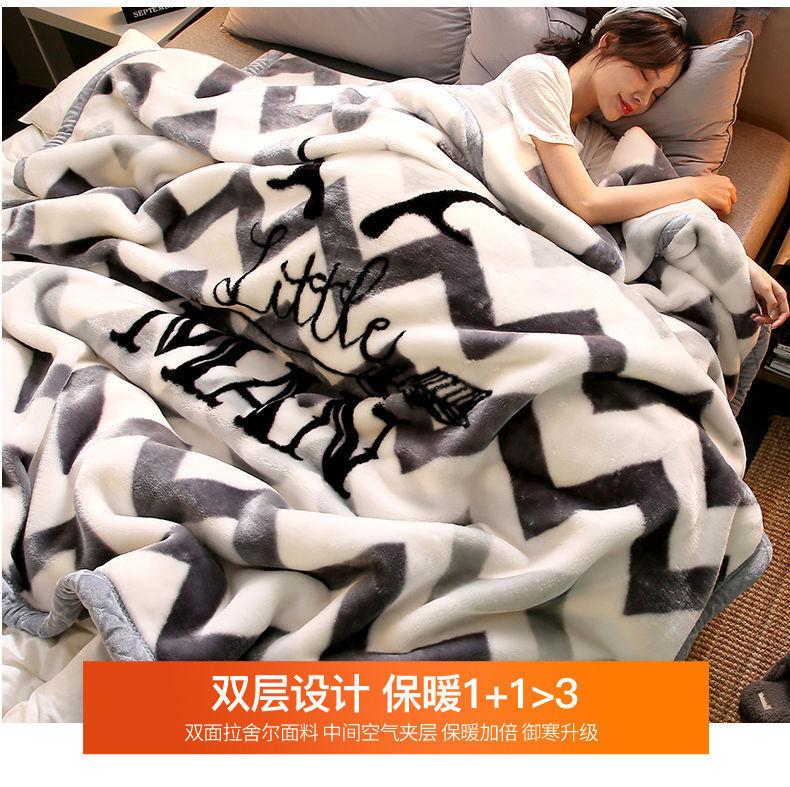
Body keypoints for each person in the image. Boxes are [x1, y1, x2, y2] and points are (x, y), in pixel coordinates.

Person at [491, 6, 788, 329]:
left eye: (656, 94)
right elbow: (587, 203)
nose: (642, 100)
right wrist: (694, 186)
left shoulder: (595, 143)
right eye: (645, 75)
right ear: (608, 43)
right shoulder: (540, 73)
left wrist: (742, 267)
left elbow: (650, 206)